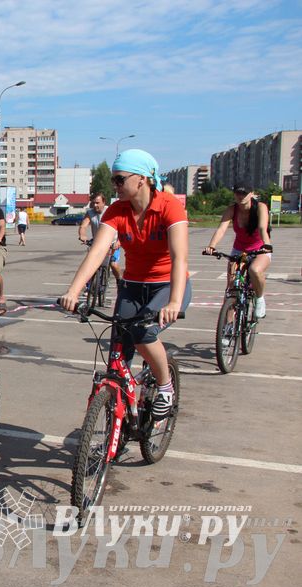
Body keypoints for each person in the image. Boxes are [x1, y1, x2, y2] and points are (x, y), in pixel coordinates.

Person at [59, 149, 191, 422]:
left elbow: (180, 257)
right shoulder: (117, 210)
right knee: (118, 354)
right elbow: (97, 253)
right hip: (132, 285)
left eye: (119, 179)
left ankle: (165, 385)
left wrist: (175, 301)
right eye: (113, 181)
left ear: (142, 179)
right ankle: (117, 422)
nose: (114, 186)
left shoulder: (169, 206)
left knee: (143, 332)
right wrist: (74, 291)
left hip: (166, 285)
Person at [203, 181, 272, 318]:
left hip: (260, 248)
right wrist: (212, 246)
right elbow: (222, 228)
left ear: (251, 194)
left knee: (255, 270)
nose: (241, 196)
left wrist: (267, 245)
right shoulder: (232, 209)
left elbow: (262, 228)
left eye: (244, 193)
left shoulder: (260, 207)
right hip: (239, 249)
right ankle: (227, 330)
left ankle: (260, 299)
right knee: (231, 289)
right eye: (237, 193)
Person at [78, 192, 123, 282]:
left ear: (104, 202)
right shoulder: (90, 213)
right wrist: (82, 235)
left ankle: (120, 282)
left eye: (97, 203)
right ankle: (89, 286)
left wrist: (119, 242)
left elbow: (122, 227)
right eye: (93, 203)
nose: (95, 205)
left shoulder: (111, 211)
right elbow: (83, 226)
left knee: (113, 264)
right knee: (90, 264)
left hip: (112, 244)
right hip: (97, 244)